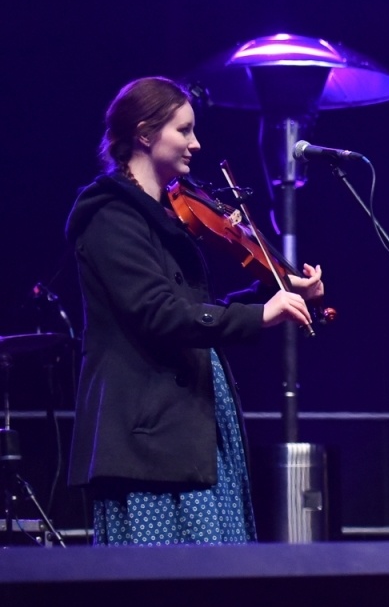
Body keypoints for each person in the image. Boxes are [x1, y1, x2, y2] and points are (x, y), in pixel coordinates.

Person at [67, 76, 324, 545]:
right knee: (159, 588)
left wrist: (274, 297)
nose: (196, 143)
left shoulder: (166, 215)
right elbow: (157, 314)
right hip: (147, 436)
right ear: (144, 133)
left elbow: (193, 309)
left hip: (190, 425)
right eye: (183, 131)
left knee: (215, 582)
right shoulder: (109, 215)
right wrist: (260, 316)